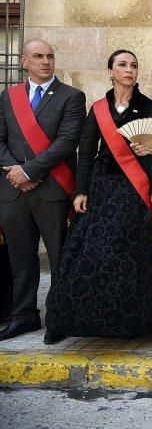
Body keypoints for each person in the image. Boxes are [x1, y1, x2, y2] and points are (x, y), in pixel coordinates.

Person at [45, 50, 152, 341]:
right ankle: (65, 321)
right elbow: (85, 152)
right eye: (122, 65)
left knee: (132, 253)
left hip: (135, 192)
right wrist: (80, 190)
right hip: (102, 188)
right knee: (88, 251)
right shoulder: (98, 108)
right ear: (109, 72)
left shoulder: (150, 107)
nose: (129, 70)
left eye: (133, 65)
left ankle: (132, 324)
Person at [0, 39, 85, 343]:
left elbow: (67, 141)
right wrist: (16, 172)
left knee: (60, 255)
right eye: (38, 56)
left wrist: (29, 171)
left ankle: (59, 316)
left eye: (50, 56)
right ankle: (24, 316)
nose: (46, 61)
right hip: (13, 190)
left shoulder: (71, 96)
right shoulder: (8, 97)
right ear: (23, 60)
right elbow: (1, 138)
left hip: (52, 188)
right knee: (20, 256)